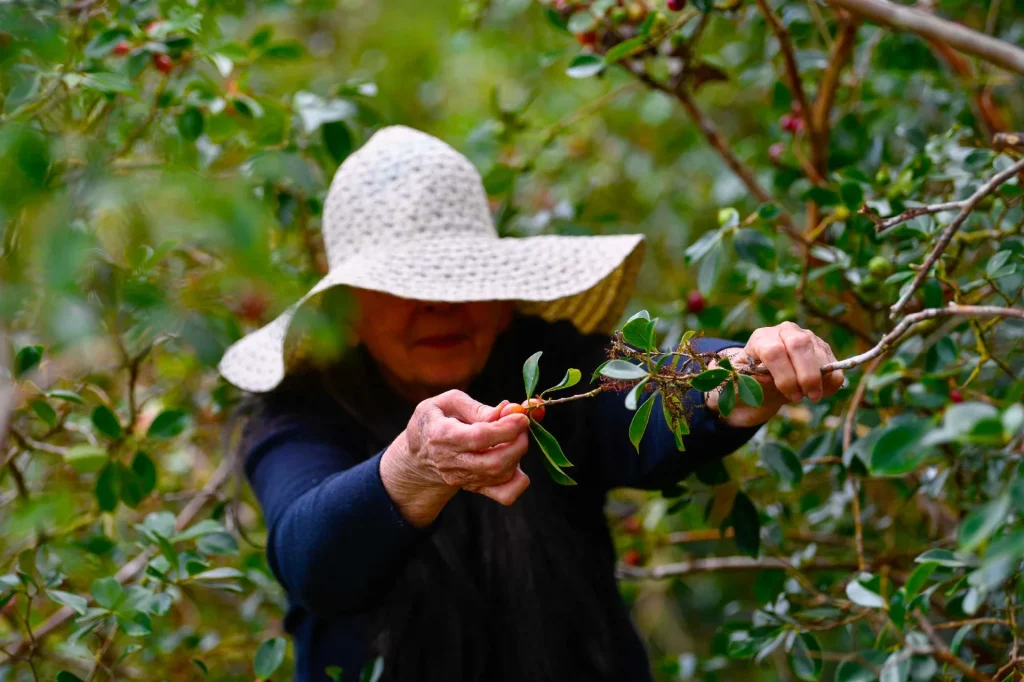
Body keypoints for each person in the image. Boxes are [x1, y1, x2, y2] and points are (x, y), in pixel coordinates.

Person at [217, 126, 844, 682]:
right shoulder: (301, 413)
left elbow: (639, 393)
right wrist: (414, 465)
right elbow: (313, 558)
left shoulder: (548, 364)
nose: (438, 307)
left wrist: (739, 371)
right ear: (349, 309)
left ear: (500, 292)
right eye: (402, 285)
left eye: (458, 277)